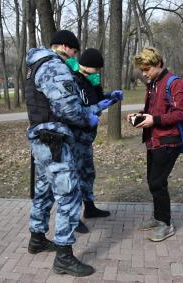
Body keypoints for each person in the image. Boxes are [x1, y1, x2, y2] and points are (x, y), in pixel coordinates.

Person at [25, 30, 116, 277]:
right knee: (69, 195)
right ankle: (64, 256)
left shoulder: (36, 64)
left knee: (43, 191)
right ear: (65, 47)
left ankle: (37, 238)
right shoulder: (54, 66)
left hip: (41, 139)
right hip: (54, 141)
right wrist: (89, 116)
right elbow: (68, 107)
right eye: (74, 52)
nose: (74, 58)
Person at [127, 47, 183, 242]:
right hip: (152, 140)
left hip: (168, 141)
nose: (144, 73)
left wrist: (155, 120)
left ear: (158, 64)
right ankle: (158, 216)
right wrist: (138, 115)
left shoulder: (175, 83)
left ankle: (166, 224)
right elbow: (151, 110)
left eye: (147, 69)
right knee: (153, 180)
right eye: (142, 70)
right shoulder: (152, 84)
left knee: (157, 182)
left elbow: (181, 113)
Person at [66, 48, 123, 233]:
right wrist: (97, 107)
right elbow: (75, 109)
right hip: (75, 137)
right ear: (87, 66)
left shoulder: (90, 80)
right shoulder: (72, 80)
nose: (98, 72)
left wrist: (110, 97)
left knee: (88, 173)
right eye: (96, 68)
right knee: (74, 178)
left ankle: (89, 209)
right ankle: (73, 219)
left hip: (87, 137)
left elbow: (97, 99)